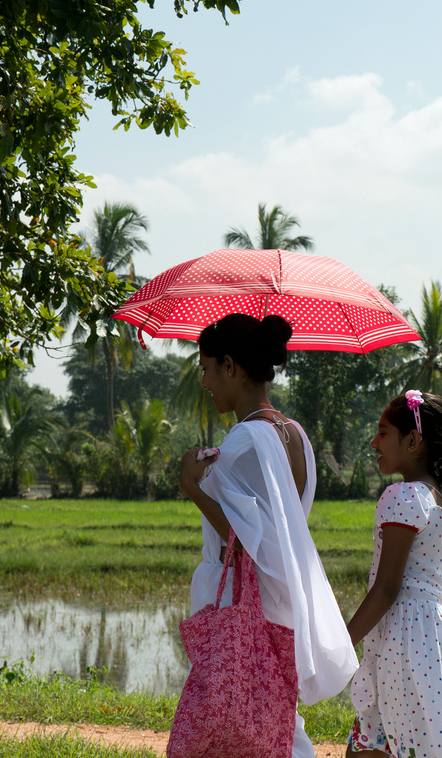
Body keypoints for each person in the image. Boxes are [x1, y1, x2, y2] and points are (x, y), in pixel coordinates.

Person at [178, 312, 358, 758]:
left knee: (237, 715)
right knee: (273, 712)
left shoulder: (242, 442)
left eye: (205, 368)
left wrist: (192, 488)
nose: (204, 381)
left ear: (230, 366)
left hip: (243, 599)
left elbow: (242, 542)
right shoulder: (296, 436)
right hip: (282, 598)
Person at [345, 391, 442, 758]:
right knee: (413, 741)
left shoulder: (402, 496)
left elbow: (387, 589)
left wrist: (341, 642)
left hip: (403, 641)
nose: (374, 442)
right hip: (432, 640)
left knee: (385, 740)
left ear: (413, 441)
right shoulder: (437, 498)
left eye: (383, 432)